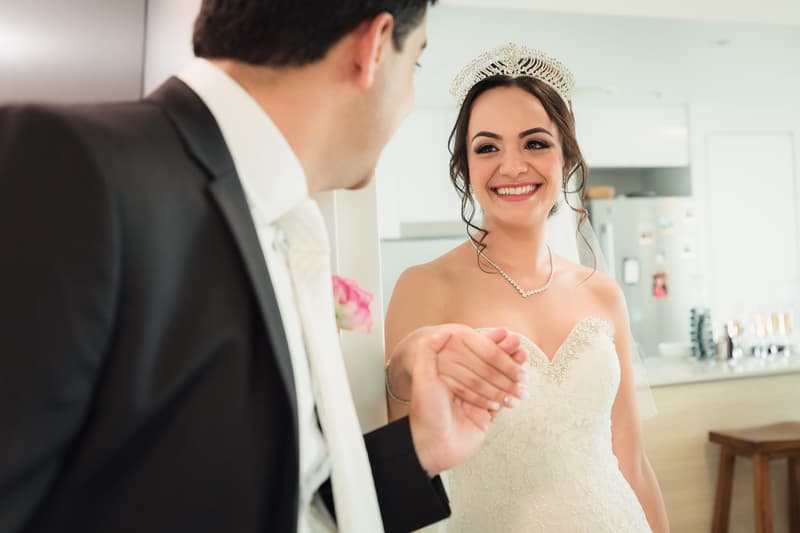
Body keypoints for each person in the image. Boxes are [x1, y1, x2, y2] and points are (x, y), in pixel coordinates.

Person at [0, 4, 532, 533]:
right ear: (374, 48)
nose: (409, 103)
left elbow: (273, 498)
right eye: (414, 65)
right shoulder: (69, 166)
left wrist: (418, 448)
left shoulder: (283, 222)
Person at [384, 43, 670, 532]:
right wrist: (406, 367)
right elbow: (396, 467)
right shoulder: (425, 287)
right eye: (487, 147)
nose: (512, 166)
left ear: (566, 158)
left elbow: (635, 463)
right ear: (465, 167)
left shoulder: (602, 294)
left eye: (535, 143)